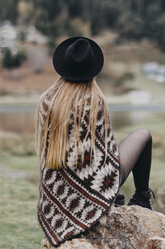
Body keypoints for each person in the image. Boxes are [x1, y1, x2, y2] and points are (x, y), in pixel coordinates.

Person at [35, 36, 154, 246]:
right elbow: (105, 154)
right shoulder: (94, 101)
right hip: (97, 189)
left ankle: (118, 199)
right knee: (143, 134)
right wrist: (109, 196)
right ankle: (142, 199)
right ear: (92, 70)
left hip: (57, 191)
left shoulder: (46, 100)